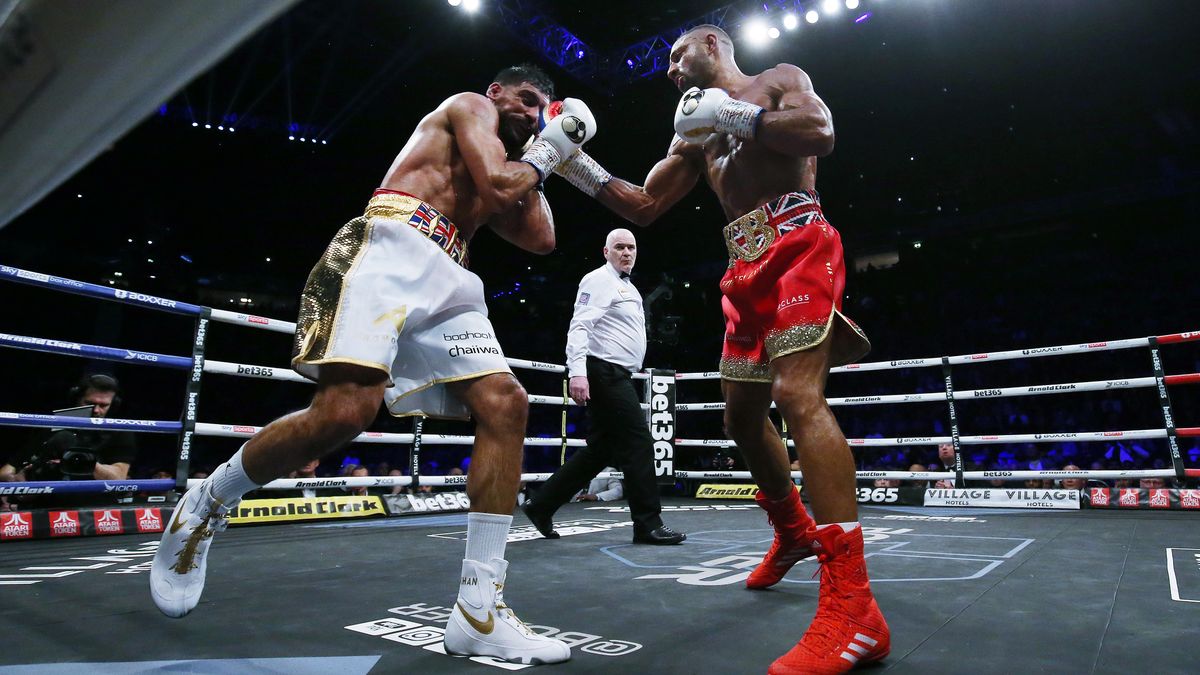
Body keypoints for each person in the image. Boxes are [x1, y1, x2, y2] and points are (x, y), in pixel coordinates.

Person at [150, 63, 599, 665]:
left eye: (541, 108)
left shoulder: (515, 162)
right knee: (343, 414)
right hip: (388, 244)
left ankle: (479, 612)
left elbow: (541, 239)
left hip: (450, 271)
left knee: (505, 403)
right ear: (497, 92)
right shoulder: (470, 104)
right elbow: (498, 186)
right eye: (524, 99)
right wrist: (549, 147)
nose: (529, 112)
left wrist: (550, 148)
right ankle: (209, 500)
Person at [544, 25, 887, 672]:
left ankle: (854, 607)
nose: (670, 71)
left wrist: (735, 114)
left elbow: (819, 133)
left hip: (798, 242)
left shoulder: (777, 80)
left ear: (711, 44)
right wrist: (570, 161)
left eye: (677, 56)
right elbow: (644, 205)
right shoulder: (692, 134)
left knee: (796, 394)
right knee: (740, 419)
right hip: (742, 266)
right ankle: (792, 532)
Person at [522, 229, 684, 544]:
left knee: (601, 450)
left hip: (616, 373)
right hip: (603, 372)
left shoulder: (628, 287)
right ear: (606, 252)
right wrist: (577, 373)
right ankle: (647, 524)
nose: (627, 252)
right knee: (639, 443)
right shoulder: (598, 280)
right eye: (620, 247)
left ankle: (540, 506)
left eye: (631, 247)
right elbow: (580, 326)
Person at [2, 374, 137, 487]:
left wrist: (79, 459)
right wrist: (15, 482)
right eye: (89, 403)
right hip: (47, 497)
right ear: (76, 398)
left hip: (93, 500)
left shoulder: (119, 429)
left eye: (103, 405)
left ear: (113, 405)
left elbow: (118, 478)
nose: (96, 410)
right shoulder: (57, 423)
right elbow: (7, 470)